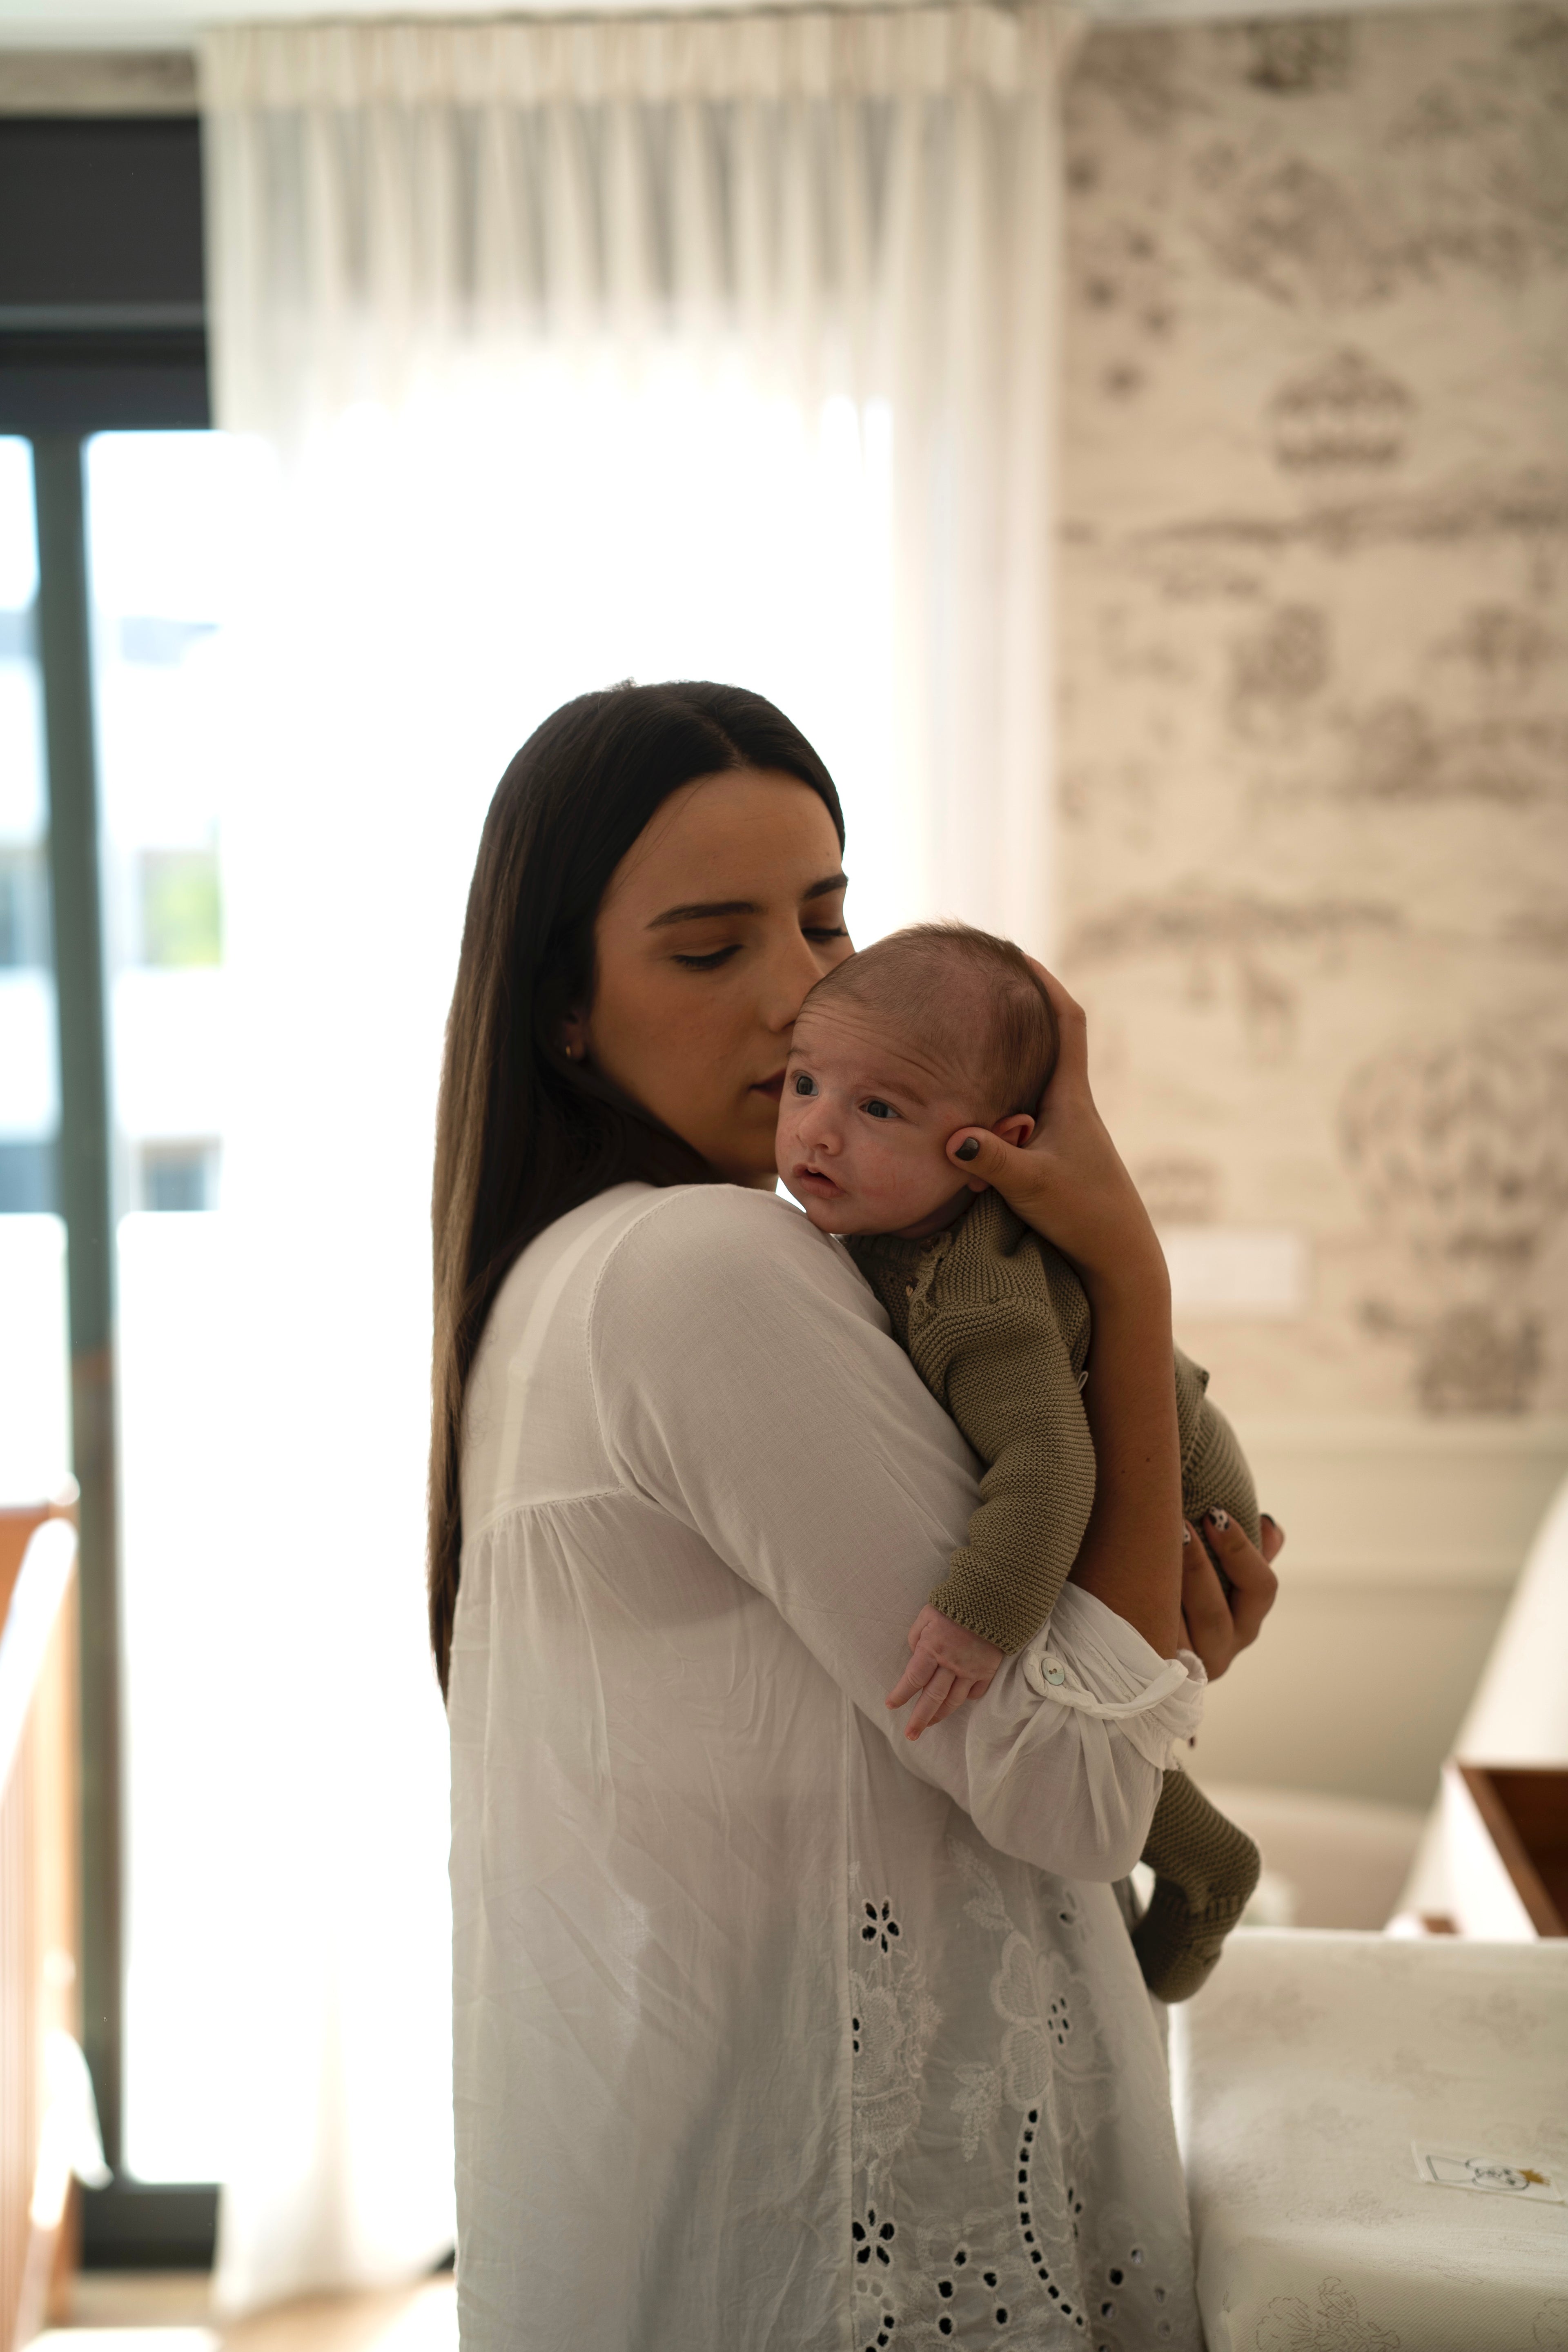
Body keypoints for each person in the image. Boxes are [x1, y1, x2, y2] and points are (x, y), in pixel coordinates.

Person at [431, 681, 1282, 2351]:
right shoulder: (704, 1266)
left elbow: (1000, 1714)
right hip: (861, 2245)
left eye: (827, 919)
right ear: (566, 1015)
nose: (805, 991)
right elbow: (1074, 1794)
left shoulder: (574, 1273)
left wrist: (1156, 1629)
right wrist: (1124, 1253)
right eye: (708, 948)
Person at [774, 919, 1263, 2003]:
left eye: (879, 1110)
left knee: (1069, 1694)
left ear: (987, 1147)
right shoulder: (883, 1231)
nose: (816, 1132)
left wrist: (977, 1614)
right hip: (1113, 1452)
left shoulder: (968, 1290)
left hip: (1177, 1482)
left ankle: (1213, 1871)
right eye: (804, 1083)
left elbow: (1048, 1468)